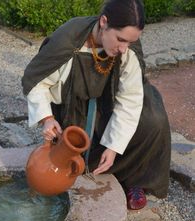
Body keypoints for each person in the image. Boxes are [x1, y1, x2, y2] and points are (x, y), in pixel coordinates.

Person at [22, 0, 171, 210]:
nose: (123, 48)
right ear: (104, 22)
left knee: (153, 119)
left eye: (129, 42)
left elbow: (130, 99)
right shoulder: (68, 39)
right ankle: (86, 166)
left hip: (111, 102)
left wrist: (113, 146)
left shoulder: (127, 50)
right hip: (74, 106)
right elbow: (37, 82)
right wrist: (47, 119)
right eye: (120, 40)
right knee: (76, 146)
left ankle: (134, 179)